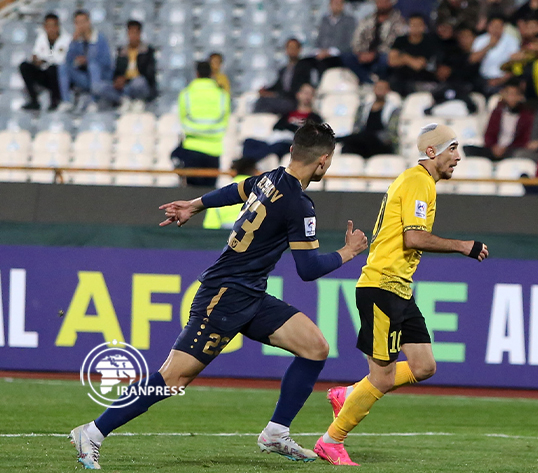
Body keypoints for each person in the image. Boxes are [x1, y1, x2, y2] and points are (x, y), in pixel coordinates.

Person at [70, 122, 369, 470]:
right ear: (324, 160)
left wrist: (196, 204)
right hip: (225, 296)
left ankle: (276, 433)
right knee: (173, 379)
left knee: (314, 347)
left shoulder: (271, 177)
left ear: (291, 151)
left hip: (251, 292)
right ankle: (92, 432)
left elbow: (239, 189)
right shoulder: (299, 204)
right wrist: (349, 252)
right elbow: (308, 269)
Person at [312, 123, 489, 465]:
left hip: (399, 290)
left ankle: (348, 394)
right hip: (382, 287)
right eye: (453, 148)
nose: (459, 156)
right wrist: (463, 246)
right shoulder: (418, 181)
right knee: (383, 377)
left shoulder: (420, 182)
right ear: (433, 152)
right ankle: (331, 440)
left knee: (423, 366)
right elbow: (414, 238)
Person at [171, 61, 231, 188]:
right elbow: (225, 120)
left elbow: (183, 119)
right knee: (210, 194)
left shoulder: (186, 94)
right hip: (214, 148)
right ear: (211, 74)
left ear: (196, 74)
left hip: (192, 147)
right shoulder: (222, 95)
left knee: (192, 196)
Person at [243, 84, 323, 162]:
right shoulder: (288, 114)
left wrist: (291, 128)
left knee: (279, 146)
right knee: (248, 142)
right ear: (298, 94)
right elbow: (276, 127)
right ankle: (248, 163)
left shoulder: (315, 117)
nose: (307, 96)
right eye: (305, 93)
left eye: (310, 94)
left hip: (292, 144)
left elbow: (311, 135)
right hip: (277, 139)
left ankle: (249, 163)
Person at [58, 9, 112, 111]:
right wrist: (73, 42)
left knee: (93, 66)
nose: (81, 25)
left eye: (83, 22)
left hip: (100, 78)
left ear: (89, 22)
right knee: (63, 67)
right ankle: (66, 102)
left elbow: (107, 62)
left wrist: (88, 60)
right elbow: (68, 61)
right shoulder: (76, 40)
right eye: (78, 23)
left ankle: (94, 101)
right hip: (84, 78)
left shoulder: (100, 39)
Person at [464, 81, 534, 161]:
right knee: (468, 149)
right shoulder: (497, 112)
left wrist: (506, 148)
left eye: (514, 94)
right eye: (508, 94)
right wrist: (494, 147)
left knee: (518, 154)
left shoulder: (527, 115)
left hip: (512, 150)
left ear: (520, 97)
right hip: (494, 148)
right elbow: (489, 134)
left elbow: (525, 139)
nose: (511, 98)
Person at [343, 0, 406, 84]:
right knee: (346, 57)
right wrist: (361, 52)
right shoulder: (367, 19)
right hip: (364, 52)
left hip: (382, 54)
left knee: (386, 60)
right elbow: (357, 37)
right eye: (379, 2)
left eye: (384, 2)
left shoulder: (398, 20)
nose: (381, 4)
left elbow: (394, 42)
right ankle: (369, 81)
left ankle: (380, 82)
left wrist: (374, 54)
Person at [99, 20, 157, 110]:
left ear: (140, 34)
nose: (133, 36)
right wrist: (117, 80)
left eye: (135, 33)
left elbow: (149, 74)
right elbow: (117, 71)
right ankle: (124, 100)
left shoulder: (147, 51)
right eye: (130, 33)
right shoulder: (122, 51)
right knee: (102, 87)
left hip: (141, 85)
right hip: (125, 87)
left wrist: (127, 79)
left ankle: (137, 101)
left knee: (138, 83)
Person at [19, 13, 70, 111]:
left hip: (59, 76)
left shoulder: (67, 39)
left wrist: (44, 60)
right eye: (48, 26)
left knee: (53, 68)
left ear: (58, 26)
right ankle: (34, 101)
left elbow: (61, 60)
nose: (51, 29)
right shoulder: (41, 37)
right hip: (44, 73)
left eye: (53, 25)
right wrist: (36, 60)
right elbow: (36, 54)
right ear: (44, 27)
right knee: (24, 66)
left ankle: (55, 102)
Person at [338, 79, 401, 158]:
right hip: (364, 142)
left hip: (381, 143)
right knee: (347, 147)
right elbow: (357, 127)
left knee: (367, 137)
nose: (379, 90)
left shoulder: (393, 110)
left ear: (387, 91)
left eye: (382, 88)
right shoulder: (364, 108)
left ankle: (339, 139)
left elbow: (391, 133)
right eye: (378, 88)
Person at [254, 38, 317, 116]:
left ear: (299, 50)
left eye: (294, 48)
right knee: (261, 100)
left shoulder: (304, 67)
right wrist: (266, 90)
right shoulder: (283, 69)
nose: (292, 50)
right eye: (290, 48)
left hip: (293, 101)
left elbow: (299, 87)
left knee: (264, 102)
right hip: (281, 98)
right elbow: (277, 85)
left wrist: (276, 94)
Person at [501, 33, 538, 103]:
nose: (537, 47)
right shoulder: (528, 59)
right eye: (535, 43)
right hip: (529, 98)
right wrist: (516, 60)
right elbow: (513, 71)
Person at [202, 158, 260, 230]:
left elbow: (210, 226)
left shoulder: (220, 192)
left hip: (225, 236)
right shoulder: (263, 191)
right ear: (254, 171)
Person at [388, 14, 437, 96]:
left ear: (424, 26)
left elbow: (418, 65)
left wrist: (404, 58)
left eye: (418, 24)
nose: (416, 27)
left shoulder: (430, 41)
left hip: (422, 79)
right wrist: (410, 60)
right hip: (400, 78)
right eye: (413, 24)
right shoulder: (400, 40)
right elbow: (392, 61)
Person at [470, 16, 521, 95]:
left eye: (499, 26)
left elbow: (515, 63)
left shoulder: (512, 41)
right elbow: (472, 60)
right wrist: (489, 46)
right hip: (483, 79)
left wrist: (501, 80)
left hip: (504, 80)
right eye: (493, 26)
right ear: (488, 27)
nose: (496, 29)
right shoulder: (480, 40)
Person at [313, 0, 357, 74]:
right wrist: (319, 50)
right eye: (334, 3)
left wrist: (331, 51)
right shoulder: (324, 20)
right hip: (322, 53)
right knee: (305, 63)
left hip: (340, 54)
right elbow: (319, 39)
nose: (336, 6)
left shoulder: (350, 21)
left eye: (338, 3)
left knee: (325, 63)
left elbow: (350, 42)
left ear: (343, 5)